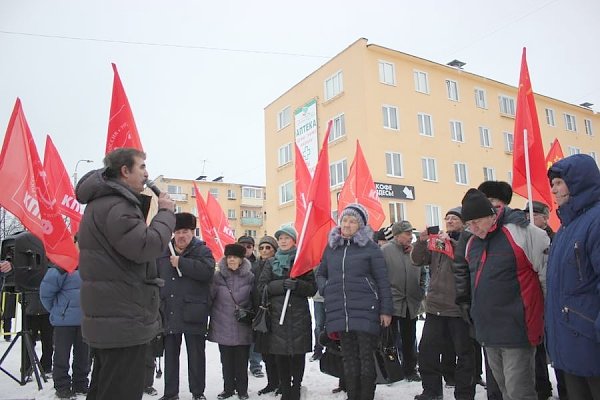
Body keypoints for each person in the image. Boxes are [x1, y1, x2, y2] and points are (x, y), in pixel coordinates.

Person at [76, 147, 176, 400]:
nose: (146, 174)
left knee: (105, 387)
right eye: (141, 167)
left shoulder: (104, 203)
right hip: (123, 318)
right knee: (120, 390)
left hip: (113, 318)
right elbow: (145, 246)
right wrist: (165, 213)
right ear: (124, 170)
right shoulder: (117, 206)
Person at [459, 188, 549, 400]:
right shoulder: (472, 243)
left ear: (491, 215)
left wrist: (547, 316)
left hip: (518, 328)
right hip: (488, 330)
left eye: (477, 222)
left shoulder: (521, 232)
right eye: (468, 224)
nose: (473, 228)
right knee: (504, 391)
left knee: (519, 391)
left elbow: (546, 277)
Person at [317, 204, 393, 400]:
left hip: (366, 309)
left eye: (352, 221)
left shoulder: (371, 248)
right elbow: (321, 273)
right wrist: (326, 287)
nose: (347, 224)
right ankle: (353, 396)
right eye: (344, 220)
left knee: (366, 356)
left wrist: (386, 310)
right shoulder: (332, 247)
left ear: (360, 225)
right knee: (348, 357)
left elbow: (383, 280)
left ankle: (366, 396)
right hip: (340, 310)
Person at [545, 154, 600, 399]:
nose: (554, 189)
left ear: (579, 181)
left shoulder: (596, 220)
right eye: (552, 183)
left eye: (559, 182)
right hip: (569, 341)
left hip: (591, 341)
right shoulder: (565, 228)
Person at [411, 207, 475, 400]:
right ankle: (431, 391)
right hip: (435, 307)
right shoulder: (438, 242)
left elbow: (467, 260)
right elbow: (418, 260)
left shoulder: (470, 240)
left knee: (464, 354)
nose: (449, 221)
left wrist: (451, 244)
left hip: (458, 309)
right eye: (447, 218)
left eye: (454, 218)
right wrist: (422, 242)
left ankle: (464, 393)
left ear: (463, 222)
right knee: (427, 352)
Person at [157, 212, 215, 400]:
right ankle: (170, 393)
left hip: (194, 312)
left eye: (185, 231)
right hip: (170, 310)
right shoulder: (164, 252)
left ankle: (198, 392)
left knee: (196, 357)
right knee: (171, 357)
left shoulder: (202, 251)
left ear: (192, 232)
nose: (181, 236)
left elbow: (207, 272)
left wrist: (182, 262)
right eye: (178, 232)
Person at [258, 226, 316, 400]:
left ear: (293, 241)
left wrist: (298, 286)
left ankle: (296, 387)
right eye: (280, 238)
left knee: (297, 354)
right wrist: (281, 285)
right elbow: (261, 287)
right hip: (277, 316)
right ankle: (284, 387)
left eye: (286, 238)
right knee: (280, 354)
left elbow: (313, 288)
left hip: (298, 315)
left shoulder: (302, 262)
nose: (283, 241)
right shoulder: (270, 262)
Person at [40, 238, 90, 399]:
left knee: (83, 356)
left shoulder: (92, 267)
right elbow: (46, 293)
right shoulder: (61, 267)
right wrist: (58, 311)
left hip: (85, 321)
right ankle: (62, 386)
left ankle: (80, 383)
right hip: (64, 322)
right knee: (62, 355)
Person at [381, 220, 426, 382]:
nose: (411, 237)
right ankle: (391, 370)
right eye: (407, 234)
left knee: (410, 337)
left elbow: (423, 274)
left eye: (411, 233)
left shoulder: (415, 250)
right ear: (397, 235)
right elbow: (379, 278)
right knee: (390, 339)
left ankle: (410, 369)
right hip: (392, 303)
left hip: (411, 302)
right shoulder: (385, 251)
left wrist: (421, 291)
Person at [208, 243, 255, 400]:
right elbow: (210, 297)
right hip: (222, 324)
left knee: (242, 361)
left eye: (235, 257)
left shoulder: (250, 277)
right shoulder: (218, 277)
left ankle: (242, 390)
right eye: (229, 257)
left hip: (243, 325)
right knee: (226, 361)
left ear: (241, 260)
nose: (231, 260)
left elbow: (254, 299)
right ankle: (228, 389)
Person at [522, 200, 556, 400]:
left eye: (534, 214)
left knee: (553, 347)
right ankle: (541, 387)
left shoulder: (554, 239)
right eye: (527, 214)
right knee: (535, 348)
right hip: (530, 300)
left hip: (551, 299)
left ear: (545, 217)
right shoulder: (524, 239)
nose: (529, 218)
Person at [252, 236, 280, 396]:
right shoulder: (254, 266)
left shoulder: (277, 265)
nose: (264, 251)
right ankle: (271, 382)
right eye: (261, 248)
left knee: (277, 351)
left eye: (268, 247)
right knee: (265, 351)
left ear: (274, 250)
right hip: (259, 313)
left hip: (275, 312)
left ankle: (281, 382)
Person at [238, 235, 264, 379]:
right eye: (243, 245)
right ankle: (240, 365)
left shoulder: (258, 264)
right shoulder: (234, 262)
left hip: (255, 303)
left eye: (248, 246)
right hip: (239, 303)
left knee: (255, 337)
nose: (245, 249)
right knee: (240, 337)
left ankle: (255, 365)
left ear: (253, 248)